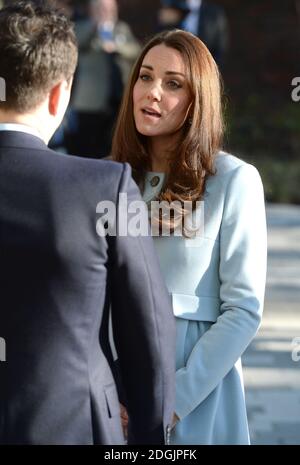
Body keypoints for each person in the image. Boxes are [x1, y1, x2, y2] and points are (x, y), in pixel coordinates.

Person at [0, 1, 175, 445]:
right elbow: (149, 328)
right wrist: (149, 440)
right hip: (75, 424)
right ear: (61, 93)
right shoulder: (109, 186)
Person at [111, 29, 267, 445]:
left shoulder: (235, 180)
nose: (153, 92)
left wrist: (172, 400)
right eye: (145, 77)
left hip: (194, 398)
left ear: (199, 99)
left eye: (173, 83)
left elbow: (244, 312)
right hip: (112, 393)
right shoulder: (108, 177)